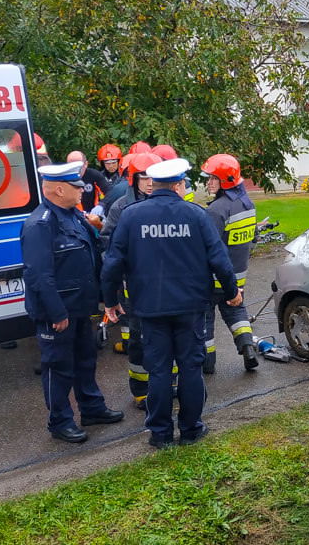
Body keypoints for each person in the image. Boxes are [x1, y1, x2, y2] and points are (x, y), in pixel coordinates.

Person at [101, 158, 242, 448]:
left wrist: (109, 300)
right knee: (190, 368)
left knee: (159, 370)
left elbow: (113, 263)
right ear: (179, 184)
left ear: (152, 184)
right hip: (190, 307)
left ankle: (161, 434)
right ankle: (191, 429)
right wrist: (232, 292)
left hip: (149, 309)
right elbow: (219, 259)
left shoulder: (131, 215)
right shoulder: (196, 215)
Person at [21, 161, 124, 443]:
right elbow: (39, 276)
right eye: (76, 186)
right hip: (58, 312)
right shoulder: (40, 225)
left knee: (85, 360)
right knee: (58, 367)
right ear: (57, 189)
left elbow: (92, 260)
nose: (82, 190)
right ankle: (60, 421)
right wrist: (56, 312)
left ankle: (92, 408)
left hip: (80, 307)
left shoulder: (75, 217)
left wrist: (105, 299)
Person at [100, 152, 169, 409]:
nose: (150, 182)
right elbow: (107, 246)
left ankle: (168, 384)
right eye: (144, 177)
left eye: (153, 176)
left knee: (166, 338)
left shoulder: (167, 204)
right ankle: (141, 389)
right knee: (138, 340)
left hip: (164, 283)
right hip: (135, 285)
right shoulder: (121, 208)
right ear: (134, 179)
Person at [200, 154, 259, 373]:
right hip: (238, 276)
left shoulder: (216, 210)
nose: (209, 182)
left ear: (224, 181)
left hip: (213, 278)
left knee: (205, 318)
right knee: (236, 312)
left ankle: (208, 364)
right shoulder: (247, 203)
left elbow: (209, 248)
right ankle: (248, 348)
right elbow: (252, 240)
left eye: (213, 178)